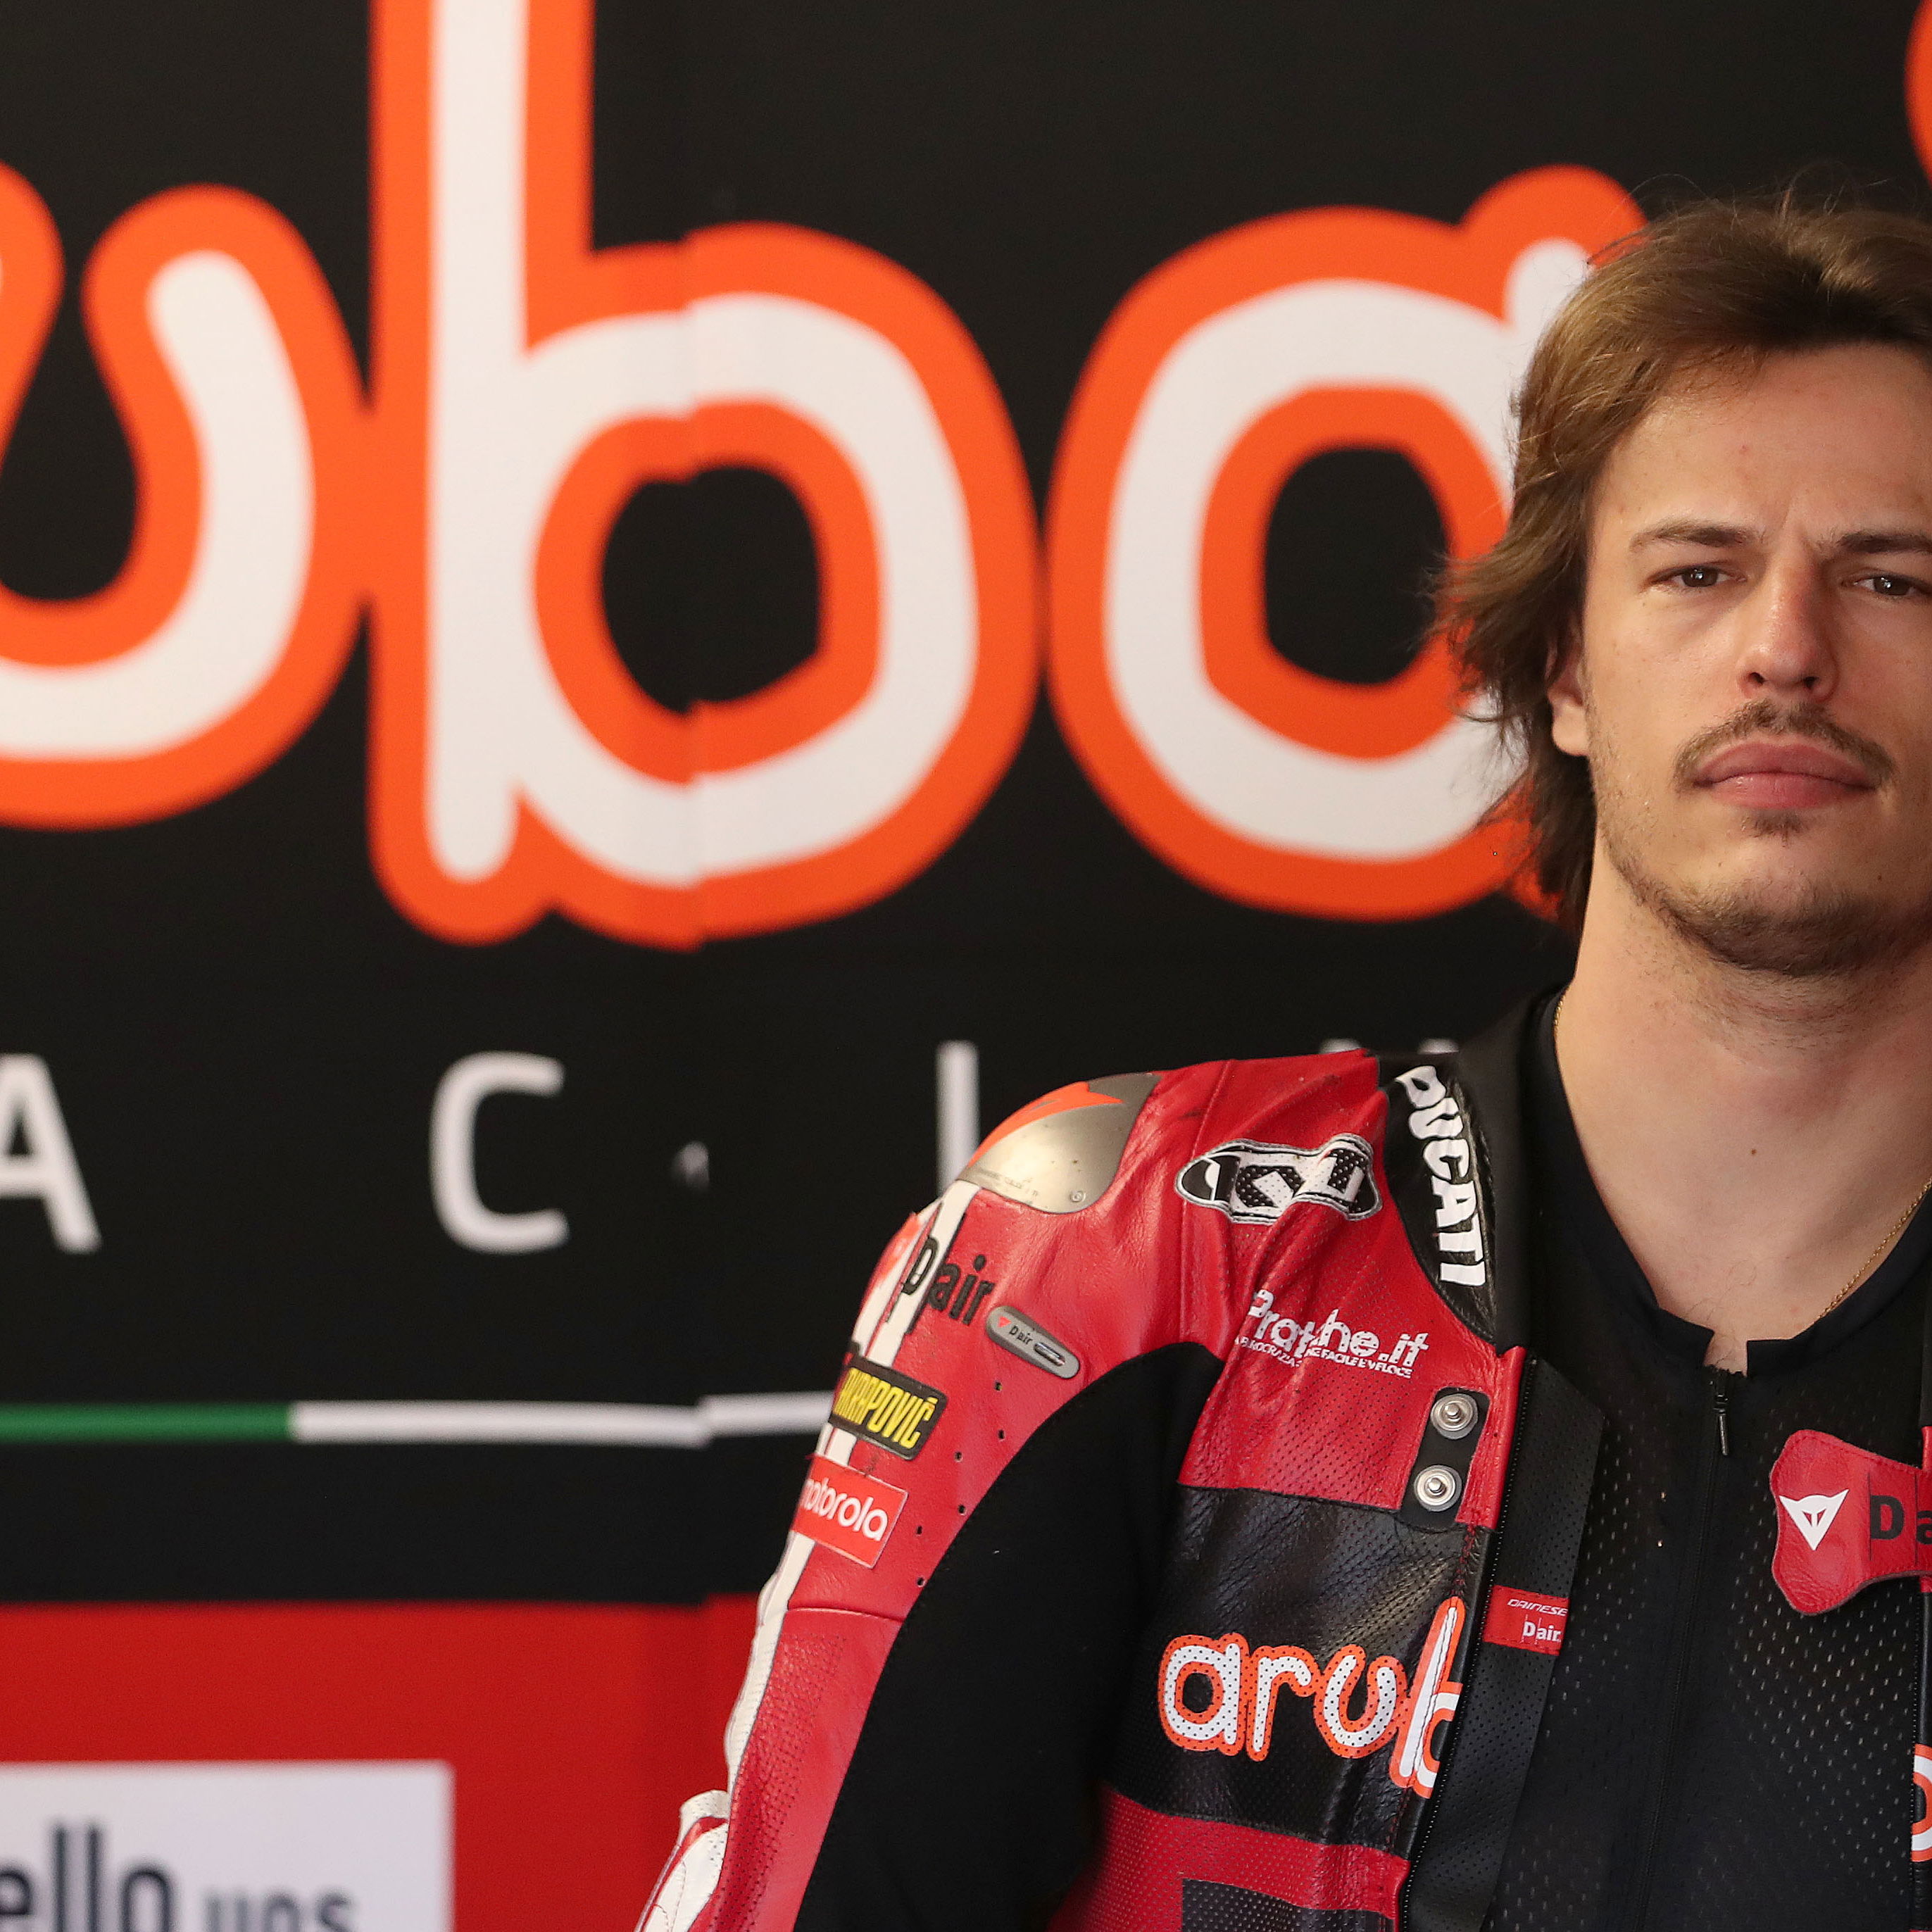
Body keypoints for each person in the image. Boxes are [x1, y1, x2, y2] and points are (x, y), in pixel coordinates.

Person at [642, 196, 1932, 1932]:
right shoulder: (1125, 1253)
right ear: (1560, 663)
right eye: (1695, 569)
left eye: (1893, 576)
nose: (1786, 643)